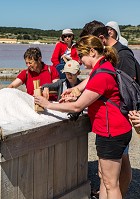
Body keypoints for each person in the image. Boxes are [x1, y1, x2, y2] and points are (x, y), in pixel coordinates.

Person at [35, 35, 132, 199]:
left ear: (92, 52)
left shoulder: (101, 75)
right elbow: (88, 90)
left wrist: (48, 105)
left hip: (111, 133)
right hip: (113, 130)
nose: (79, 60)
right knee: (104, 177)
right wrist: (75, 93)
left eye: (81, 55)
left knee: (110, 183)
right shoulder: (103, 67)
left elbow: (77, 106)